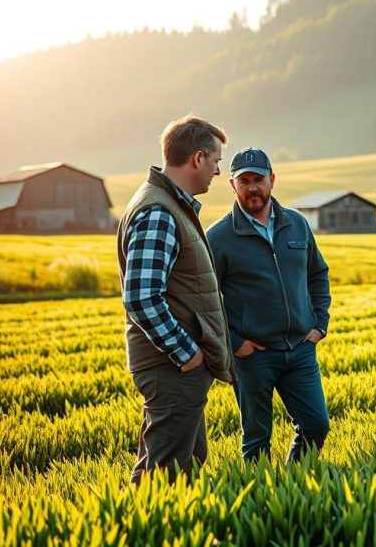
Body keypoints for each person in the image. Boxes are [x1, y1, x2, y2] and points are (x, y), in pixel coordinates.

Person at [117, 114, 235, 484]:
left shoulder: (166, 203)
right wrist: (188, 354)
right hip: (172, 366)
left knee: (186, 465)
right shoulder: (159, 212)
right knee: (163, 475)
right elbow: (140, 297)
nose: (218, 172)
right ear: (198, 158)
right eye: (216, 161)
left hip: (174, 366)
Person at [207, 147, 332, 463]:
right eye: (244, 181)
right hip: (253, 357)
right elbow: (207, 299)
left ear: (272, 180)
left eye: (258, 179)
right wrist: (235, 342)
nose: (252, 188)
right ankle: (263, 501)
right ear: (233, 185)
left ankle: (294, 482)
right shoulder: (219, 237)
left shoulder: (297, 224)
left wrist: (319, 324)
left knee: (316, 425)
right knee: (256, 440)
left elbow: (318, 274)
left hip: (300, 350)